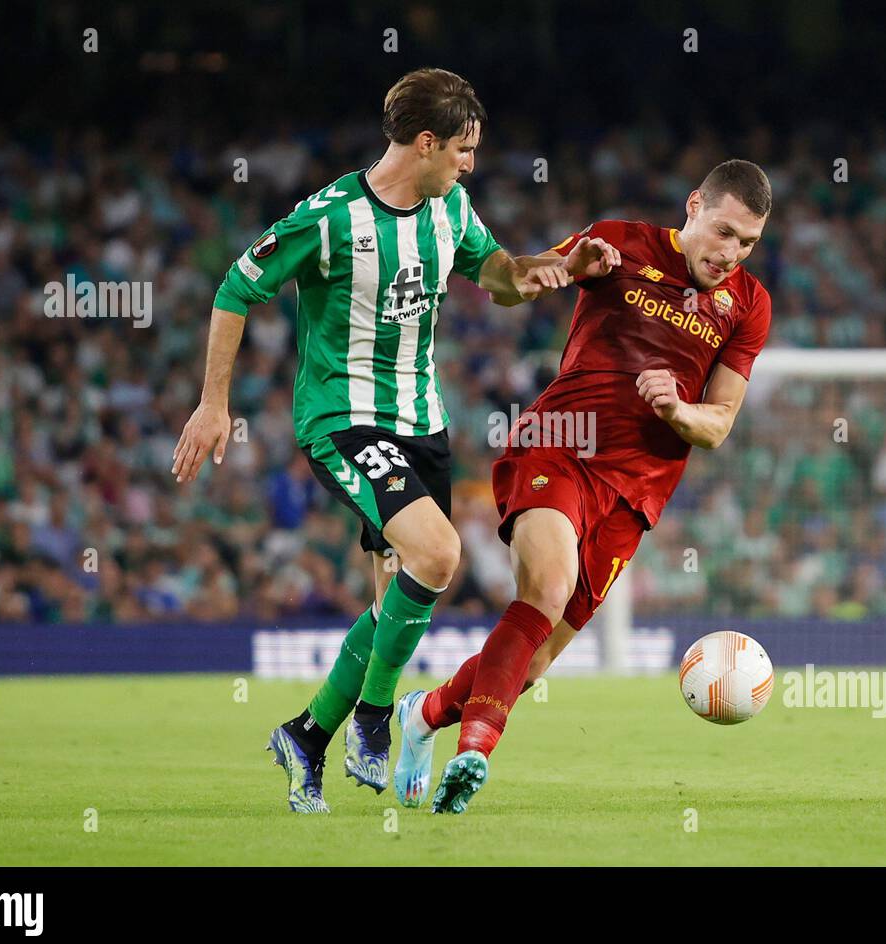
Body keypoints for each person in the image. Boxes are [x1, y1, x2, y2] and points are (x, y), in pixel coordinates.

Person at [171, 67, 616, 813]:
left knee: (395, 608)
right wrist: (214, 403)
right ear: (426, 143)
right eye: (464, 151)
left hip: (422, 424)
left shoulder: (452, 210)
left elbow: (499, 275)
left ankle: (308, 735)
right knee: (440, 555)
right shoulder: (331, 217)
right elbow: (235, 290)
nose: (472, 165)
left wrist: (557, 269)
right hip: (343, 418)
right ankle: (374, 720)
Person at [393, 159, 775, 813]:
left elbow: (718, 424)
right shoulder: (618, 242)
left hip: (637, 493)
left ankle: (425, 714)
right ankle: (475, 751)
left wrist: (678, 412)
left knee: (535, 663)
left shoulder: (749, 305)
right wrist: (570, 268)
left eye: (747, 243)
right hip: (562, 446)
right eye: (723, 232)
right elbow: (511, 286)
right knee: (544, 589)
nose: (730, 253)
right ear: (693, 207)